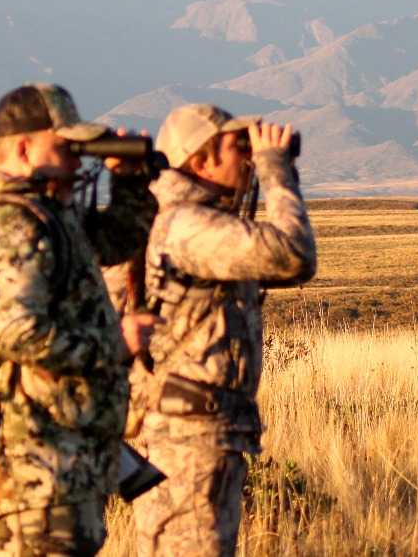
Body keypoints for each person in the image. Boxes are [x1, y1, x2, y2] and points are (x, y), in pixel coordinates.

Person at [0, 82, 160, 556]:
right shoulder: (10, 223)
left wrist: (129, 180)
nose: (75, 159)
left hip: (64, 466)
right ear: (24, 148)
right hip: (30, 474)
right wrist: (114, 343)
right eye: (63, 146)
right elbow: (14, 330)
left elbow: (114, 243)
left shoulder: (47, 215)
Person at [132, 104, 317, 557]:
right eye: (238, 147)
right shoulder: (187, 225)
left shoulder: (201, 221)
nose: (249, 156)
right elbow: (293, 254)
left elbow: (282, 269)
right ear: (199, 160)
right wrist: (276, 170)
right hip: (188, 440)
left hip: (208, 432)